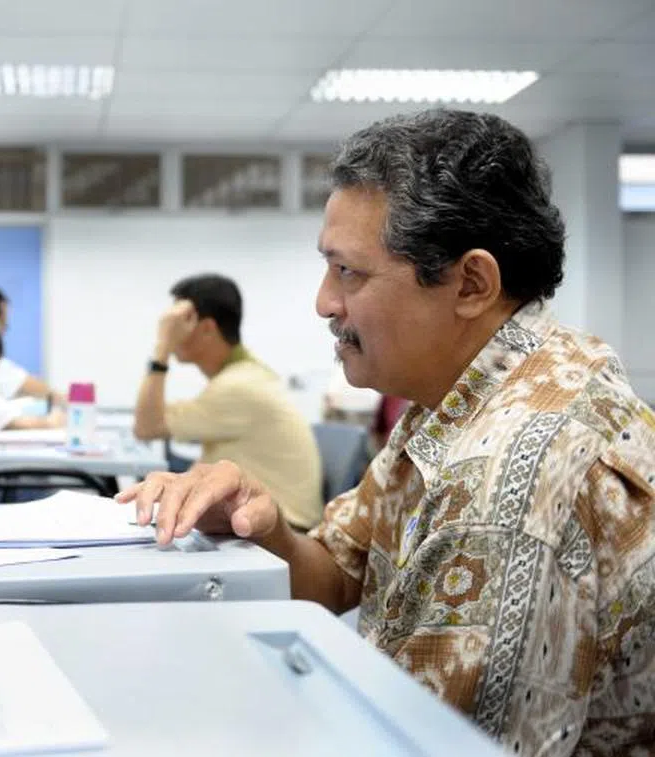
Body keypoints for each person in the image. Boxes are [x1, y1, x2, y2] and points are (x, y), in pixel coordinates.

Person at [119, 109, 655, 755]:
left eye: (349, 271)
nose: (324, 301)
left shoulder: (506, 483)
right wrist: (266, 529)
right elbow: (338, 573)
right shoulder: (475, 386)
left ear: (471, 283)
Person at [131, 274, 323, 530]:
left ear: (208, 328)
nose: (172, 330)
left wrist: (162, 348)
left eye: (179, 322)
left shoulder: (238, 386)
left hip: (284, 528)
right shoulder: (243, 375)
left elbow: (147, 427)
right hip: (265, 518)